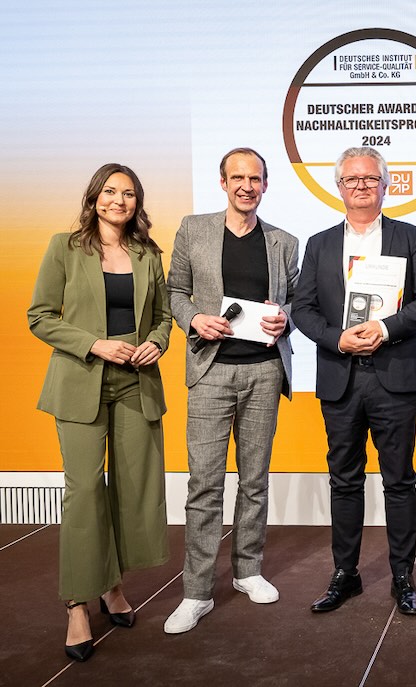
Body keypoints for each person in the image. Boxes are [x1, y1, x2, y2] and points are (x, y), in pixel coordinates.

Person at [28, 163, 171, 661]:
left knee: (132, 491)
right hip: (81, 381)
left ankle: (111, 586)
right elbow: (40, 317)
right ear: (94, 198)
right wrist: (94, 344)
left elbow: (163, 317)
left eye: (128, 194)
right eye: (109, 191)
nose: (118, 200)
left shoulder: (148, 253)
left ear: (137, 203)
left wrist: (156, 342)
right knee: (85, 492)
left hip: (137, 382)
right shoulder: (64, 247)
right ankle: (76, 604)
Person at [293, 147, 416, 616]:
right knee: (344, 480)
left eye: (370, 179)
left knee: (399, 480)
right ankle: (346, 574)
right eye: (352, 179)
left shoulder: (409, 236)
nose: (361, 186)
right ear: (339, 187)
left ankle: (403, 576)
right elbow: (302, 309)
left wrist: (385, 328)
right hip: (341, 378)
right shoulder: (318, 244)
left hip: (395, 376)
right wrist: (337, 339)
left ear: (385, 185)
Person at [164, 148, 299, 634]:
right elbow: (174, 291)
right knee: (204, 484)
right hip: (210, 371)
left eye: (255, 178)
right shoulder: (193, 229)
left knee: (255, 480)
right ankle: (196, 592)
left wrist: (285, 319)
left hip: (264, 371)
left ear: (266, 184)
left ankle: (248, 570)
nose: (247, 186)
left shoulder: (284, 242)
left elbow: (297, 302)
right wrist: (194, 319)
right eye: (237, 177)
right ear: (222, 183)